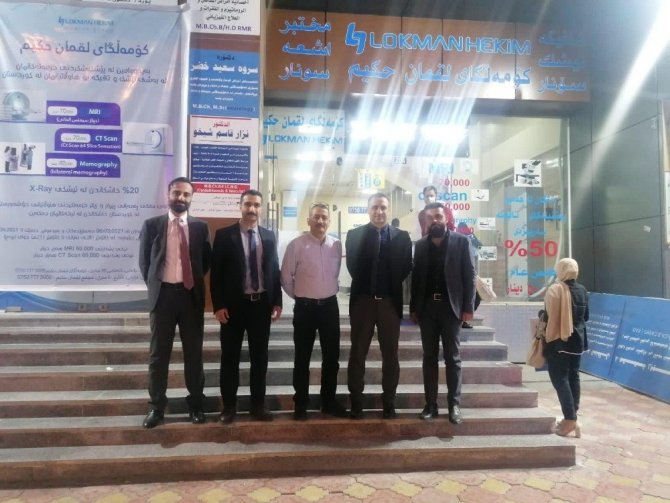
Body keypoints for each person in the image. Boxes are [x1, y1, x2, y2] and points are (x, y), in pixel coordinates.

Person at [138, 177, 211, 428]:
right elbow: (145, 264)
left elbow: (205, 262)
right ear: (168, 194)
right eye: (177, 193)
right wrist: (158, 287)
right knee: (159, 355)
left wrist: (189, 282)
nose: (181, 198)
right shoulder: (152, 225)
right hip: (163, 298)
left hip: (190, 297)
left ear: (191, 198)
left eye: (186, 194)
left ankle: (196, 405)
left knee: (194, 354)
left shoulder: (201, 228)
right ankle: (156, 407)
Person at [211, 189, 282, 424]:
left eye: (256, 205)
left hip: (260, 305)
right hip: (233, 307)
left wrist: (277, 300)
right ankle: (229, 407)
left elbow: (274, 270)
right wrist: (218, 305)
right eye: (248, 204)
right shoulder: (224, 235)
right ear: (240, 206)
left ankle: (257, 406)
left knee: (259, 359)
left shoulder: (269, 236)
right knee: (230, 358)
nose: (252, 209)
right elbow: (216, 274)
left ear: (261, 209)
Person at [346, 192, 413, 419]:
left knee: (391, 356)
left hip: (389, 303)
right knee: (357, 354)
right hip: (362, 302)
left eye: (383, 207)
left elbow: (405, 267)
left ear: (388, 210)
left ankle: (389, 402)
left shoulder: (402, 237)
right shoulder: (354, 235)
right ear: (368, 209)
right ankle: (356, 402)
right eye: (375, 207)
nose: (379, 211)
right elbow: (353, 267)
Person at [410, 202, 475, 424]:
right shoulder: (420, 245)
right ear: (425, 221)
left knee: (452, 358)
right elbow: (416, 279)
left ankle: (454, 405)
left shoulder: (461, 242)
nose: (434, 220)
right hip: (427, 309)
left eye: (438, 216)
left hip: (451, 309)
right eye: (430, 218)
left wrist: (468, 307)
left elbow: (469, 275)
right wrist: (414, 308)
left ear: (446, 217)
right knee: (429, 358)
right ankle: (430, 405)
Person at [281, 203, 348, 420]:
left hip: (329, 307)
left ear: (329, 221)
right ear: (308, 220)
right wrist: (301, 297)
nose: (320, 221)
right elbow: (286, 278)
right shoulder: (296, 245)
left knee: (332, 358)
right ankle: (300, 403)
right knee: (302, 358)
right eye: (316, 217)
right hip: (305, 309)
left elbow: (336, 274)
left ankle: (328, 401)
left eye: (324, 218)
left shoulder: (336, 245)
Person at [544, 257, 589, 438]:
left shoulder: (555, 290)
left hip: (559, 341)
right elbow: (586, 316)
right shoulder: (582, 290)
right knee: (573, 377)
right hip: (578, 341)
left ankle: (570, 419)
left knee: (559, 378)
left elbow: (548, 317)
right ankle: (572, 417)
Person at [456, 222, 482, 329]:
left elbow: (479, 245)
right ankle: (462, 320)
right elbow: (479, 245)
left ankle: (462, 320)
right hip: (462, 273)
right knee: (473, 298)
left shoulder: (460, 237)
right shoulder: (465, 237)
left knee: (474, 298)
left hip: (465, 272)